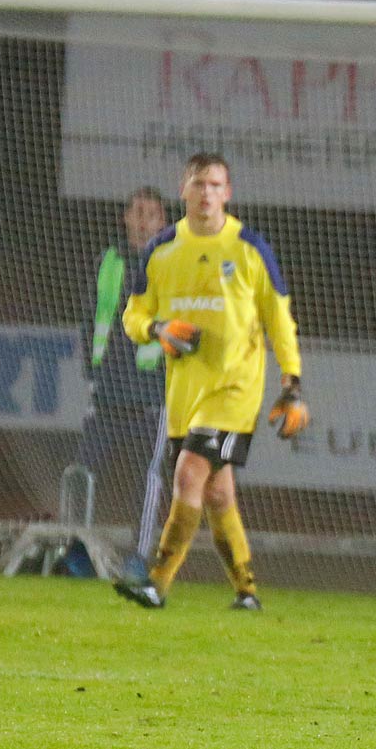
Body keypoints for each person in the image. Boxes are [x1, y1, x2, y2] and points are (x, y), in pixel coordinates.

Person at [115, 152, 309, 610]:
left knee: (188, 473)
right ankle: (246, 590)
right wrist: (157, 329)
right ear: (183, 190)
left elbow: (278, 318)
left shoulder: (249, 248)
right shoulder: (161, 248)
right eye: (199, 184)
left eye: (216, 185)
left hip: (236, 388)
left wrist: (291, 380)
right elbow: (134, 313)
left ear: (229, 193)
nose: (207, 193)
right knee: (218, 491)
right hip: (185, 394)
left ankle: (155, 582)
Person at [77, 187, 171, 580]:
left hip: (153, 395)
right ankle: (76, 551)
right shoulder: (109, 260)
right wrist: (93, 368)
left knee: (148, 479)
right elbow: (93, 315)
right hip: (110, 390)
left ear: (164, 222)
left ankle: (141, 558)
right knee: (81, 470)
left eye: (151, 213)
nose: (143, 219)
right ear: (125, 218)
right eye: (137, 211)